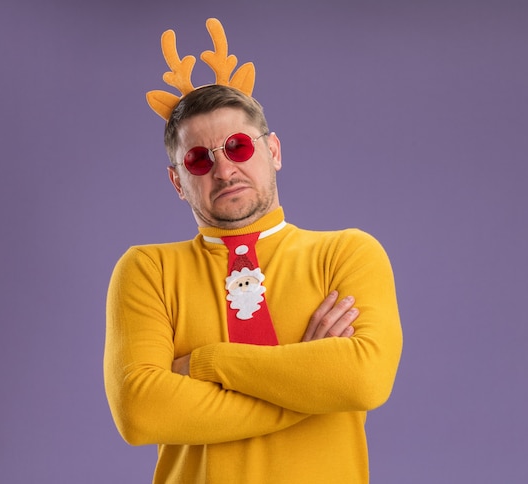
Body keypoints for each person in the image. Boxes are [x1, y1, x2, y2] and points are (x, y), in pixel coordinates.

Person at [104, 18, 402, 484]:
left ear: (274, 151)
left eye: (238, 147)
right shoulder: (148, 270)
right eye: (199, 159)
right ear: (177, 181)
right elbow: (140, 411)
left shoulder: (347, 253)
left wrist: (205, 363)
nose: (223, 170)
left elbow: (364, 379)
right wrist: (306, 387)